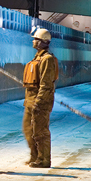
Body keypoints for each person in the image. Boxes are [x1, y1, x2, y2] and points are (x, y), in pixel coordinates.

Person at [22, 28, 58, 168]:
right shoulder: (37, 58)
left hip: (39, 101)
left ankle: (44, 160)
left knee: (40, 131)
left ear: (42, 42)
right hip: (30, 99)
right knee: (28, 129)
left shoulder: (47, 59)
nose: (33, 41)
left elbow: (46, 83)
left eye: (36, 39)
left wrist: (39, 101)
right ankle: (35, 156)